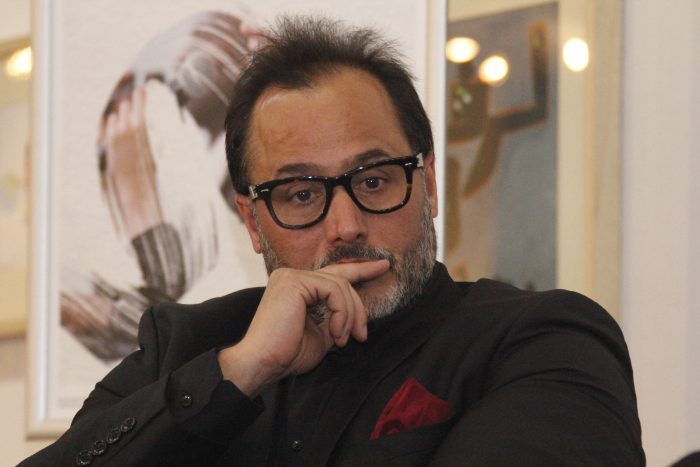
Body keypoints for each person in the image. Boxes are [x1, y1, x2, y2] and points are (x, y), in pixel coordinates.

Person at [22, 16, 644, 466]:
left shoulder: (540, 340)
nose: (345, 225)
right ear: (252, 221)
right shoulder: (185, 348)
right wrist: (240, 371)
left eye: (373, 181)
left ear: (427, 183)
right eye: (300, 194)